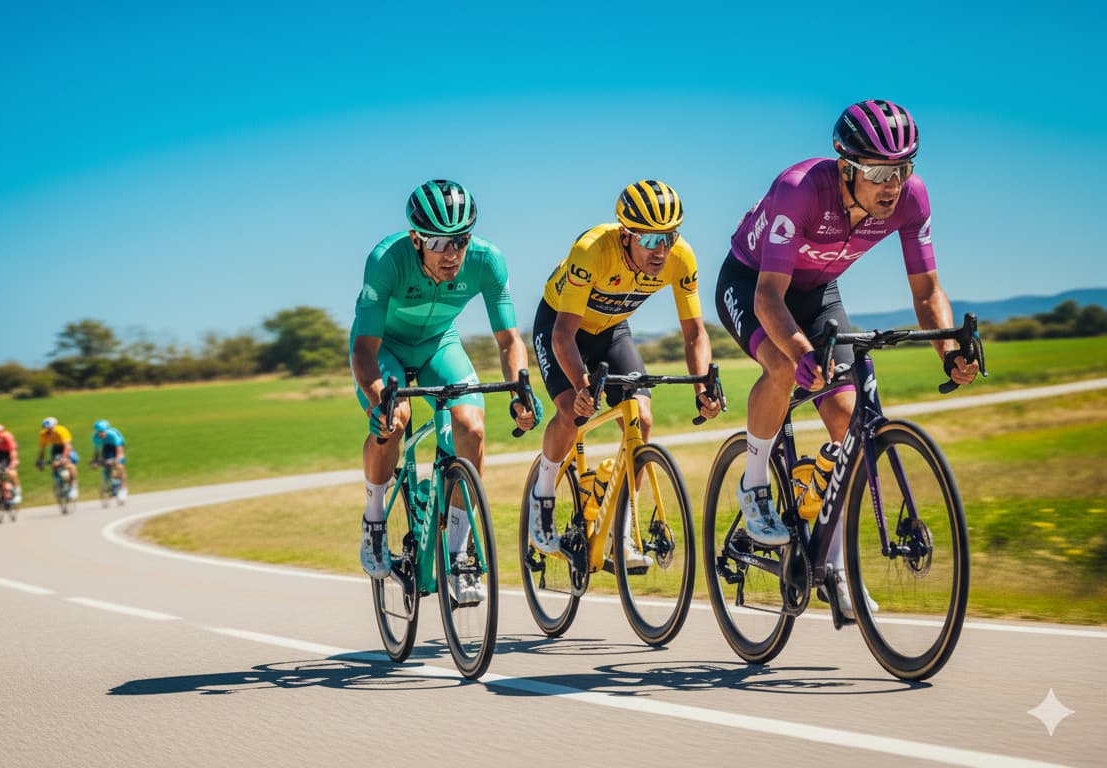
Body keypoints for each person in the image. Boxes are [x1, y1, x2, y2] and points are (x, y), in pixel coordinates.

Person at [714, 99, 980, 618]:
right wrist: (798, 351)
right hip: (752, 284)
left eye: (902, 169)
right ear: (847, 167)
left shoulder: (912, 200)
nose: (893, 184)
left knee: (846, 418)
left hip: (817, 293)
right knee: (786, 367)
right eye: (880, 171)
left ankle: (832, 564)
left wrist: (949, 351)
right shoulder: (800, 190)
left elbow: (927, 292)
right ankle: (754, 481)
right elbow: (768, 299)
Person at [350, 178, 541, 599]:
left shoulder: (488, 260)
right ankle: (374, 519)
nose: (452, 254)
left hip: (439, 344)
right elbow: (364, 351)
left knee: (470, 427)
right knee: (394, 420)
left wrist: (519, 389)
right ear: (416, 239)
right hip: (385, 348)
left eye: (460, 241)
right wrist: (380, 396)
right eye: (438, 243)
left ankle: (458, 553)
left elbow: (509, 341)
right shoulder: (386, 260)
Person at [528, 180, 722, 564]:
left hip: (613, 330)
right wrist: (583, 387)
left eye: (669, 237)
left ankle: (621, 525)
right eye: (650, 240)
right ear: (625, 236)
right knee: (574, 411)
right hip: (562, 327)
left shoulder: (681, 258)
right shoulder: (591, 251)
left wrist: (703, 387)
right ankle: (543, 494)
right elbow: (563, 334)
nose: (661, 250)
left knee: (642, 417)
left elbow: (694, 333)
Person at [36, 417, 79, 500]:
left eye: (50, 428)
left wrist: (63, 458)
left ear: (55, 426)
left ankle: (73, 485)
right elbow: (42, 448)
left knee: (70, 466)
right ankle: (58, 482)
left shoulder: (61, 430)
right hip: (55, 448)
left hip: (65, 447)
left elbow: (68, 446)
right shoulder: (43, 434)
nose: (49, 430)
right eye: (46, 428)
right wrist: (40, 460)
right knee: (54, 463)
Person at [89, 419, 128, 500]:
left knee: (119, 466)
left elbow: (119, 449)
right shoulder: (95, 437)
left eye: (102, 431)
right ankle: (109, 482)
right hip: (106, 448)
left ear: (106, 430)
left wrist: (117, 459)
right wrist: (95, 461)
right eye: (98, 431)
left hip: (117, 447)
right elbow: (97, 451)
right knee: (106, 463)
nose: (100, 433)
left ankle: (123, 488)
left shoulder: (113, 434)